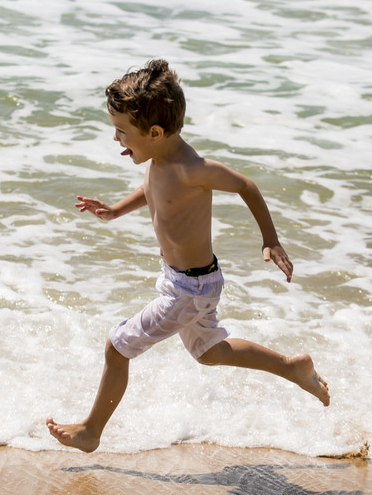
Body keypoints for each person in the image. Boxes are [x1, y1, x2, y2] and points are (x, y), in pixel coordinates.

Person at [47, 59, 329, 453]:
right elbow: (153, 190)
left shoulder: (190, 168)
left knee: (117, 346)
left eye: (122, 131)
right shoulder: (160, 160)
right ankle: (291, 367)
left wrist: (271, 239)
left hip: (188, 289)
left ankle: (91, 431)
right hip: (190, 282)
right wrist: (115, 210)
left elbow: (245, 185)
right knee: (210, 352)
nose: (116, 138)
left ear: (155, 132)